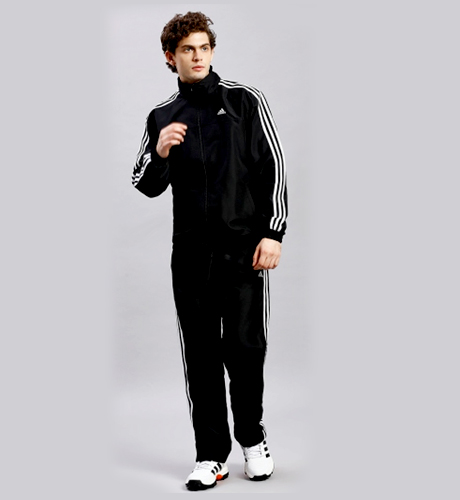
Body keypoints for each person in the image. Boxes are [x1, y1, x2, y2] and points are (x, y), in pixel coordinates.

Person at [132, 11, 287, 491]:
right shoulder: (162, 116)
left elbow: (273, 168)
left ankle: (252, 440)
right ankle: (210, 455)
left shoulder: (243, 100)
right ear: (170, 57)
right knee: (200, 357)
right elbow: (143, 183)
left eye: (204, 48)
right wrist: (160, 152)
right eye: (187, 50)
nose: (197, 57)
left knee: (245, 350)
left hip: (243, 252)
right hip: (191, 258)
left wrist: (273, 233)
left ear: (212, 51)